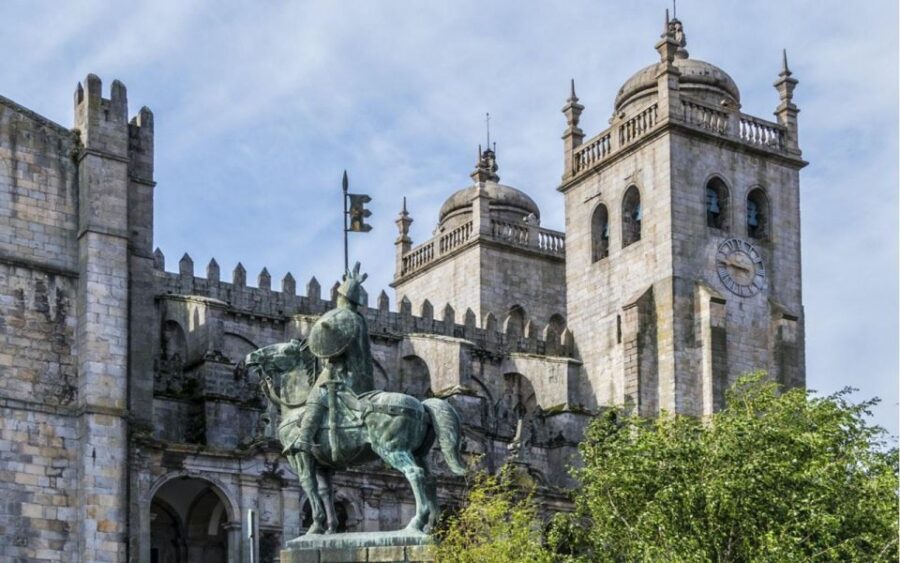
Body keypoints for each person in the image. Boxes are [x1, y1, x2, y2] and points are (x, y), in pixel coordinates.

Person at [294, 262, 374, 453]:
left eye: (340, 295)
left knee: (315, 396)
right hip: (364, 378)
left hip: (343, 377)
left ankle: (304, 438)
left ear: (344, 297)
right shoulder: (359, 320)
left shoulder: (344, 319)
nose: (338, 299)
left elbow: (335, 349)